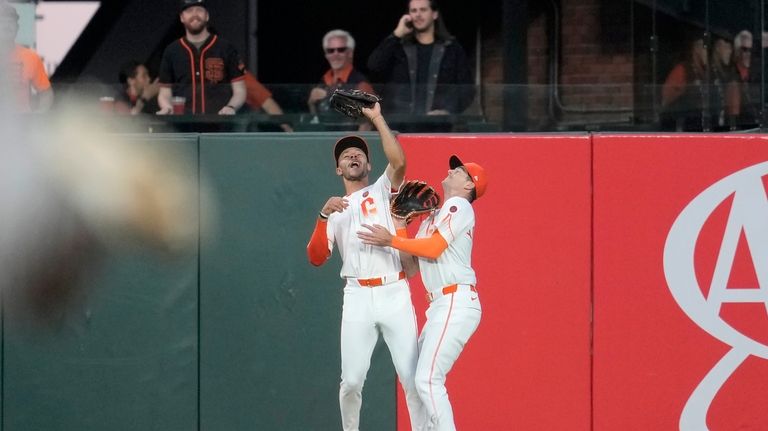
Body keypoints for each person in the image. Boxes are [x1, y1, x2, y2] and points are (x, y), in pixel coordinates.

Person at [306, 104, 426, 431]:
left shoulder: (382, 190)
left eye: (358, 153)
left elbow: (399, 161)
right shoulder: (334, 209)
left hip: (393, 290)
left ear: (369, 164)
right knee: (351, 381)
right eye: (345, 156)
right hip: (357, 295)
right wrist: (322, 217)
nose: (353, 157)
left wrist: (375, 118)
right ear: (337, 170)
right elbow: (317, 258)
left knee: (412, 380)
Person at [357, 154, 487, 431]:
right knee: (417, 380)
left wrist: (390, 239)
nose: (452, 170)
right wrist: (401, 225)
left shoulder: (460, 206)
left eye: (461, 171)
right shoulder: (432, 218)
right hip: (441, 305)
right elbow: (412, 267)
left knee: (427, 379)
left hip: (456, 300)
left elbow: (434, 248)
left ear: (469, 186)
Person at [367, 0, 474, 122]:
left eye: (423, 10)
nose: (418, 14)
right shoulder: (398, 47)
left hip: (438, 127)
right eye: (413, 10)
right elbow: (374, 66)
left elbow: (467, 89)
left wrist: (448, 111)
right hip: (400, 125)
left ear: (434, 14)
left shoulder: (452, 48)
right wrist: (397, 34)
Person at [156, 0, 246, 116]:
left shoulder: (226, 48)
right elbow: (164, 91)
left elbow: (240, 89)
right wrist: (167, 107)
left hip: (220, 124)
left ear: (207, 16)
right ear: (182, 18)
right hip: (183, 125)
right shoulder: (171, 51)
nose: (194, 14)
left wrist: (231, 107)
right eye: (189, 11)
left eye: (199, 10)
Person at [308, 29, 375, 131]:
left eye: (341, 50)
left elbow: (367, 124)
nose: (335, 54)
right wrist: (311, 103)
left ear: (350, 53)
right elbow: (316, 120)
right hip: (324, 141)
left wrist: (354, 145)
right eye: (330, 51)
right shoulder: (323, 81)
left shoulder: (361, 84)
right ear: (326, 55)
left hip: (348, 143)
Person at [0, 2, 54, 113]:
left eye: (11, 22)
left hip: (21, 125)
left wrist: (38, 115)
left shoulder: (30, 57)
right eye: (2, 22)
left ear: (17, 27)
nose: (7, 26)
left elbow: (46, 94)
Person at [660, 34, 708, 131]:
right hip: (686, 127)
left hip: (702, 126)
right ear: (696, 49)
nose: (707, 52)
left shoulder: (705, 72)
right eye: (704, 47)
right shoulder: (682, 70)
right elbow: (666, 100)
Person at [708, 35, 740, 130]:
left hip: (726, 126)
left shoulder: (730, 72)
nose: (730, 52)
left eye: (731, 48)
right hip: (713, 128)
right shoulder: (709, 73)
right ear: (717, 48)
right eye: (727, 47)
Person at [733, 30, 759, 127]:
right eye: (744, 49)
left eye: (751, 50)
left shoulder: (756, 74)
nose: (748, 54)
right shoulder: (731, 75)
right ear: (737, 50)